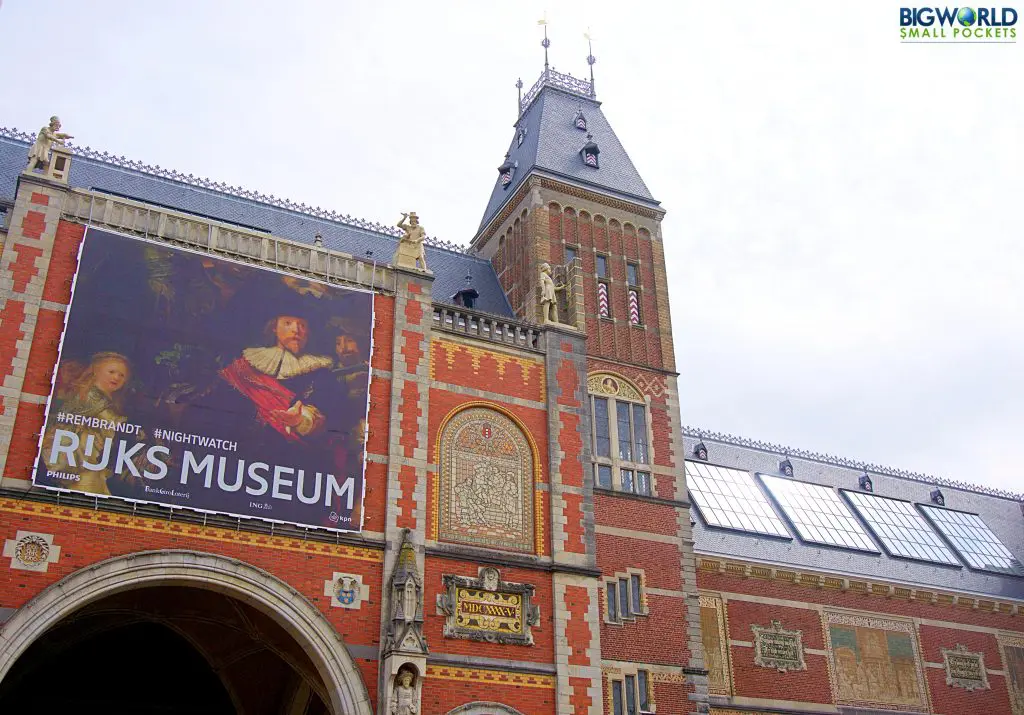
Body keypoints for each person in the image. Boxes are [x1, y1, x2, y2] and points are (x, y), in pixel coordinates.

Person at [218, 313, 334, 442]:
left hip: (287, 446)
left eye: (302, 325)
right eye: (288, 323)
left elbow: (325, 411)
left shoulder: (319, 370)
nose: (296, 330)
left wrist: (301, 421)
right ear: (274, 327)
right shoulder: (245, 365)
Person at [40, 352, 131, 496]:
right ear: (96, 371)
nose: (116, 377)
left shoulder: (104, 399)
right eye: (112, 372)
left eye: (122, 375)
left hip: (90, 461)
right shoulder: (91, 398)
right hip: (81, 461)